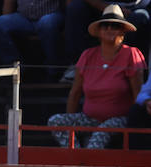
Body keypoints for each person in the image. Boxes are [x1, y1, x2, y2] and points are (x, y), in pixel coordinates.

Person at [49, 3, 144, 149]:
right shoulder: (87, 55)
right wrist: (71, 128)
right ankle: (77, 156)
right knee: (55, 121)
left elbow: (138, 94)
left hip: (120, 119)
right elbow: (75, 93)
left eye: (114, 25)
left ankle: (85, 165)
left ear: (122, 31)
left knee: (101, 132)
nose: (109, 28)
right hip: (90, 118)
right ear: (99, 31)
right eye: (105, 25)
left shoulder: (131, 54)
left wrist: (136, 127)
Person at [65, 0, 151, 76]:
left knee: (140, 19)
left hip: (136, 9)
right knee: (75, 7)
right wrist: (110, 9)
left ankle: (124, 69)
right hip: (102, 6)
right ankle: (79, 65)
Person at [0, 0, 66, 73]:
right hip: (24, 18)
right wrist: (6, 19)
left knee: (46, 24)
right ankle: (14, 69)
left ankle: (54, 69)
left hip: (51, 15)